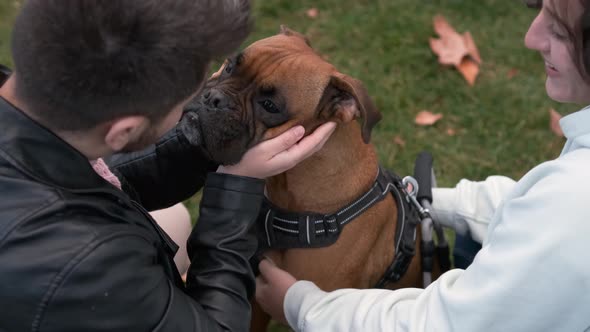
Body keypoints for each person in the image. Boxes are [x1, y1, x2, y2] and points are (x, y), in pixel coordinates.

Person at [0, 1, 336, 331]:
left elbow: (90, 179)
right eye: (187, 103)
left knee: (172, 218)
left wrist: (206, 144)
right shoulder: (87, 265)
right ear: (124, 131)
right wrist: (236, 188)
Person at [255, 0, 590, 331]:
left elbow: (442, 324)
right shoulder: (569, 200)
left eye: (560, 31)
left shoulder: (573, 203)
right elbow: (538, 217)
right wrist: (435, 202)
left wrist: (300, 305)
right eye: (538, 10)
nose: (531, 37)